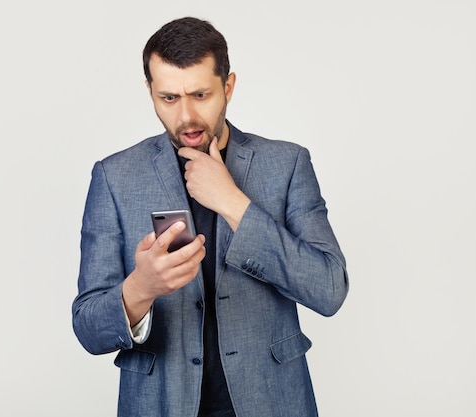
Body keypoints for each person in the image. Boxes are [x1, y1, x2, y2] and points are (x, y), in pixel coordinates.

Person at [72, 16, 349, 417]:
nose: (186, 117)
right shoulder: (114, 177)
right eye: (168, 98)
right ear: (150, 91)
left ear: (228, 87)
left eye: (200, 95)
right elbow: (87, 328)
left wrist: (235, 204)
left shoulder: (287, 165)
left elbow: (329, 289)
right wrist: (140, 289)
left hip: (271, 402)